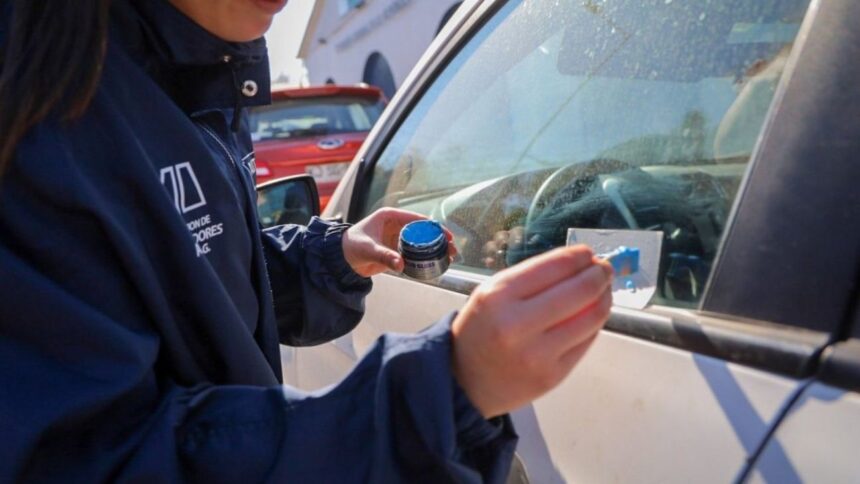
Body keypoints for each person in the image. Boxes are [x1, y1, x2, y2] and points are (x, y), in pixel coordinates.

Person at [0, 0, 613, 482]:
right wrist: (444, 391)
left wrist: (330, 257)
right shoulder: (37, 104)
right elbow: (84, 458)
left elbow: (193, 287)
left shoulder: (184, 71)